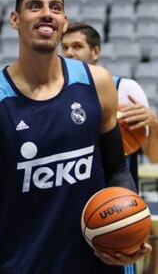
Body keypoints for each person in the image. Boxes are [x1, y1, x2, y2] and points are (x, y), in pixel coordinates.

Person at [0, 0, 151, 274]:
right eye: (34, 6)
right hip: (25, 264)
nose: (46, 13)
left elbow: (117, 170)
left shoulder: (97, 83)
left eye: (55, 8)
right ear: (15, 19)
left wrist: (129, 235)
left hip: (97, 264)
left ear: (63, 22)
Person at [61, 22, 158, 184]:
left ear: (95, 52)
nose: (69, 53)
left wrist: (154, 124)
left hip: (117, 195)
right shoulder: (54, 94)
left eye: (77, 46)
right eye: (64, 48)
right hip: (74, 191)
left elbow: (155, 157)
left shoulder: (126, 88)